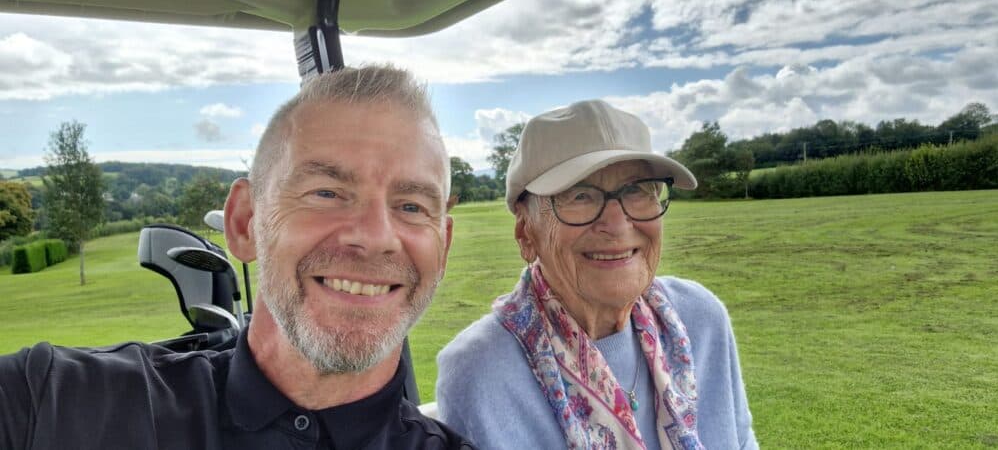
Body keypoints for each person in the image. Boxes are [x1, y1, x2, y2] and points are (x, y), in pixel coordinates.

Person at [0, 65, 475, 450]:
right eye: (327, 192)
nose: (375, 238)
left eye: (412, 206)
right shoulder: (52, 404)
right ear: (245, 222)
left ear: (443, 248)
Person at [436, 100, 758, 450]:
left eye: (637, 190)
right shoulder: (481, 373)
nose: (617, 224)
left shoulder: (701, 320)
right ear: (526, 233)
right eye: (580, 195)